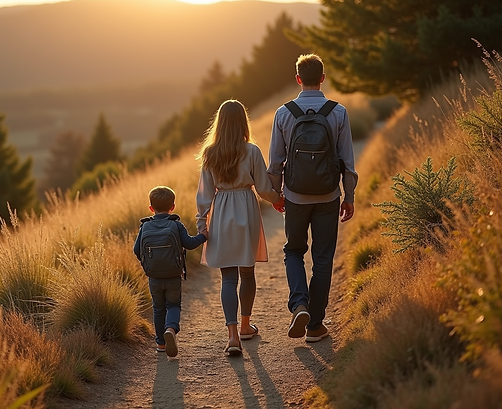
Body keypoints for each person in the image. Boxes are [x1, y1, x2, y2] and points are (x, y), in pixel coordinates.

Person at [267, 53, 358, 343]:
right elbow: (347, 160)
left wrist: (276, 195)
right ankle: (315, 325)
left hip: (294, 196)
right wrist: (349, 196)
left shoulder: (283, 113)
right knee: (323, 257)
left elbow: (275, 162)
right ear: (322, 78)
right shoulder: (338, 112)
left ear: (297, 79)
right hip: (328, 195)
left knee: (293, 251)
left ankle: (300, 304)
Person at [195, 99, 282, 356]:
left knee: (228, 278)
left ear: (219, 124)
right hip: (246, 207)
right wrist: (279, 200)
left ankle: (232, 336)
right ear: (243, 122)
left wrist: (203, 224)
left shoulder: (210, 154)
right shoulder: (252, 151)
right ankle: (245, 325)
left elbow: (203, 196)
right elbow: (264, 188)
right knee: (247, 273)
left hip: (221, 211)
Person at [134, 186, 207, 357]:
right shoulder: (175, 224)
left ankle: (160, 344)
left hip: (154, 277)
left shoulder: (144, 227)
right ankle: (171, 329)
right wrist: (203, 235)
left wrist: (148, 264)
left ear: (151, 208)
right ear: (172, 206)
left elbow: (136, 250)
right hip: (173, 274)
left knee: (158, 309)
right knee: (173, 305)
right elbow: (189, 243)